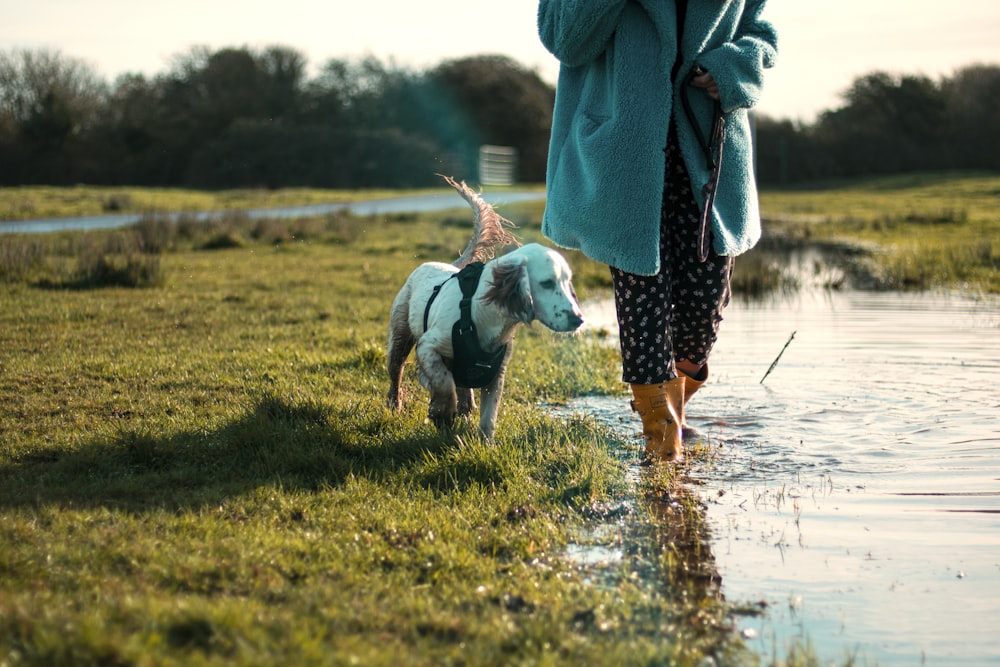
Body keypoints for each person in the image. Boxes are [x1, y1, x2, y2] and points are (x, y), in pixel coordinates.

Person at [537, 0, 778, 462]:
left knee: (703, 311)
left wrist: (730, 68)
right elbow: (564, 39)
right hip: (622, 155)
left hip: (706, 150)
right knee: (641, 299)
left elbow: (762, 34)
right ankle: (663, 449)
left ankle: (672, 416)